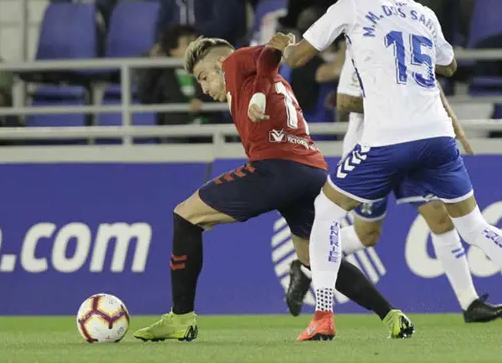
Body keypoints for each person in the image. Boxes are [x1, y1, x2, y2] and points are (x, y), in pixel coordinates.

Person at [276, 0, 502, 341]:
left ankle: (322, 315)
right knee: (474, 227)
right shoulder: (422, 13)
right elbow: (450, 65)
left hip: (386, 139)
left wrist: (282, 45)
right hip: (437, 136)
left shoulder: (351, 6)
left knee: (325, 211)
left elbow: (299, 58)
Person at [132, 36, 414, 342]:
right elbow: (268, 63)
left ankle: (181, 318)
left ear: (219, 65)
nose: (203, 88)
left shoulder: (235, 62)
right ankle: (392, 316)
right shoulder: (265, 82)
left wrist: (260, 88)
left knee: (185, 216)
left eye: (203, 77)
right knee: (315, 258)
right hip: (313, 171)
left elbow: (270, 52)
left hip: (275, 169)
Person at [283, 0, 502, 324]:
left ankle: (470, 304)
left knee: (440, 218)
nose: (401, 4)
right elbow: (344, 100)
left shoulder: (415, 35)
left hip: (412, 146)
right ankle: (306, 263)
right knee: (367, 235)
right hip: (371, 148)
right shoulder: (364, 42)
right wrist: (391, 100)